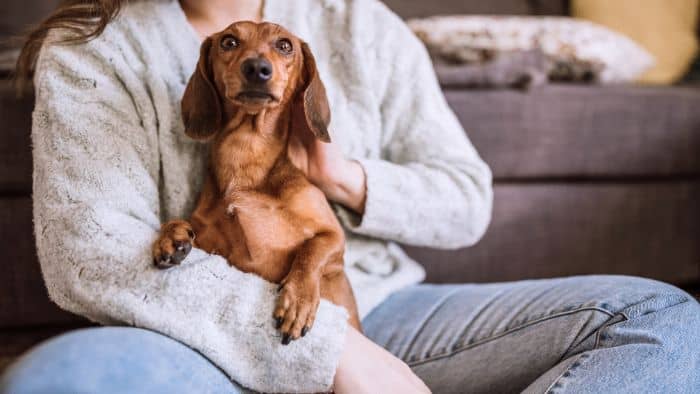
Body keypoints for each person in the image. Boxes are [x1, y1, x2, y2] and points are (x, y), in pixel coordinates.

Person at [2, 0, 699, 393]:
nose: (257, 60)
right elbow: (93, 258)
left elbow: (467, 198)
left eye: (276, 52)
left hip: (381, 308)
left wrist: (343, 178)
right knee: (58, 381)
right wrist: (335, 356)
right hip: (196, 333)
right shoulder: (93, 48)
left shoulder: (360, 23)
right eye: (239, 52)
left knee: (664, 317)